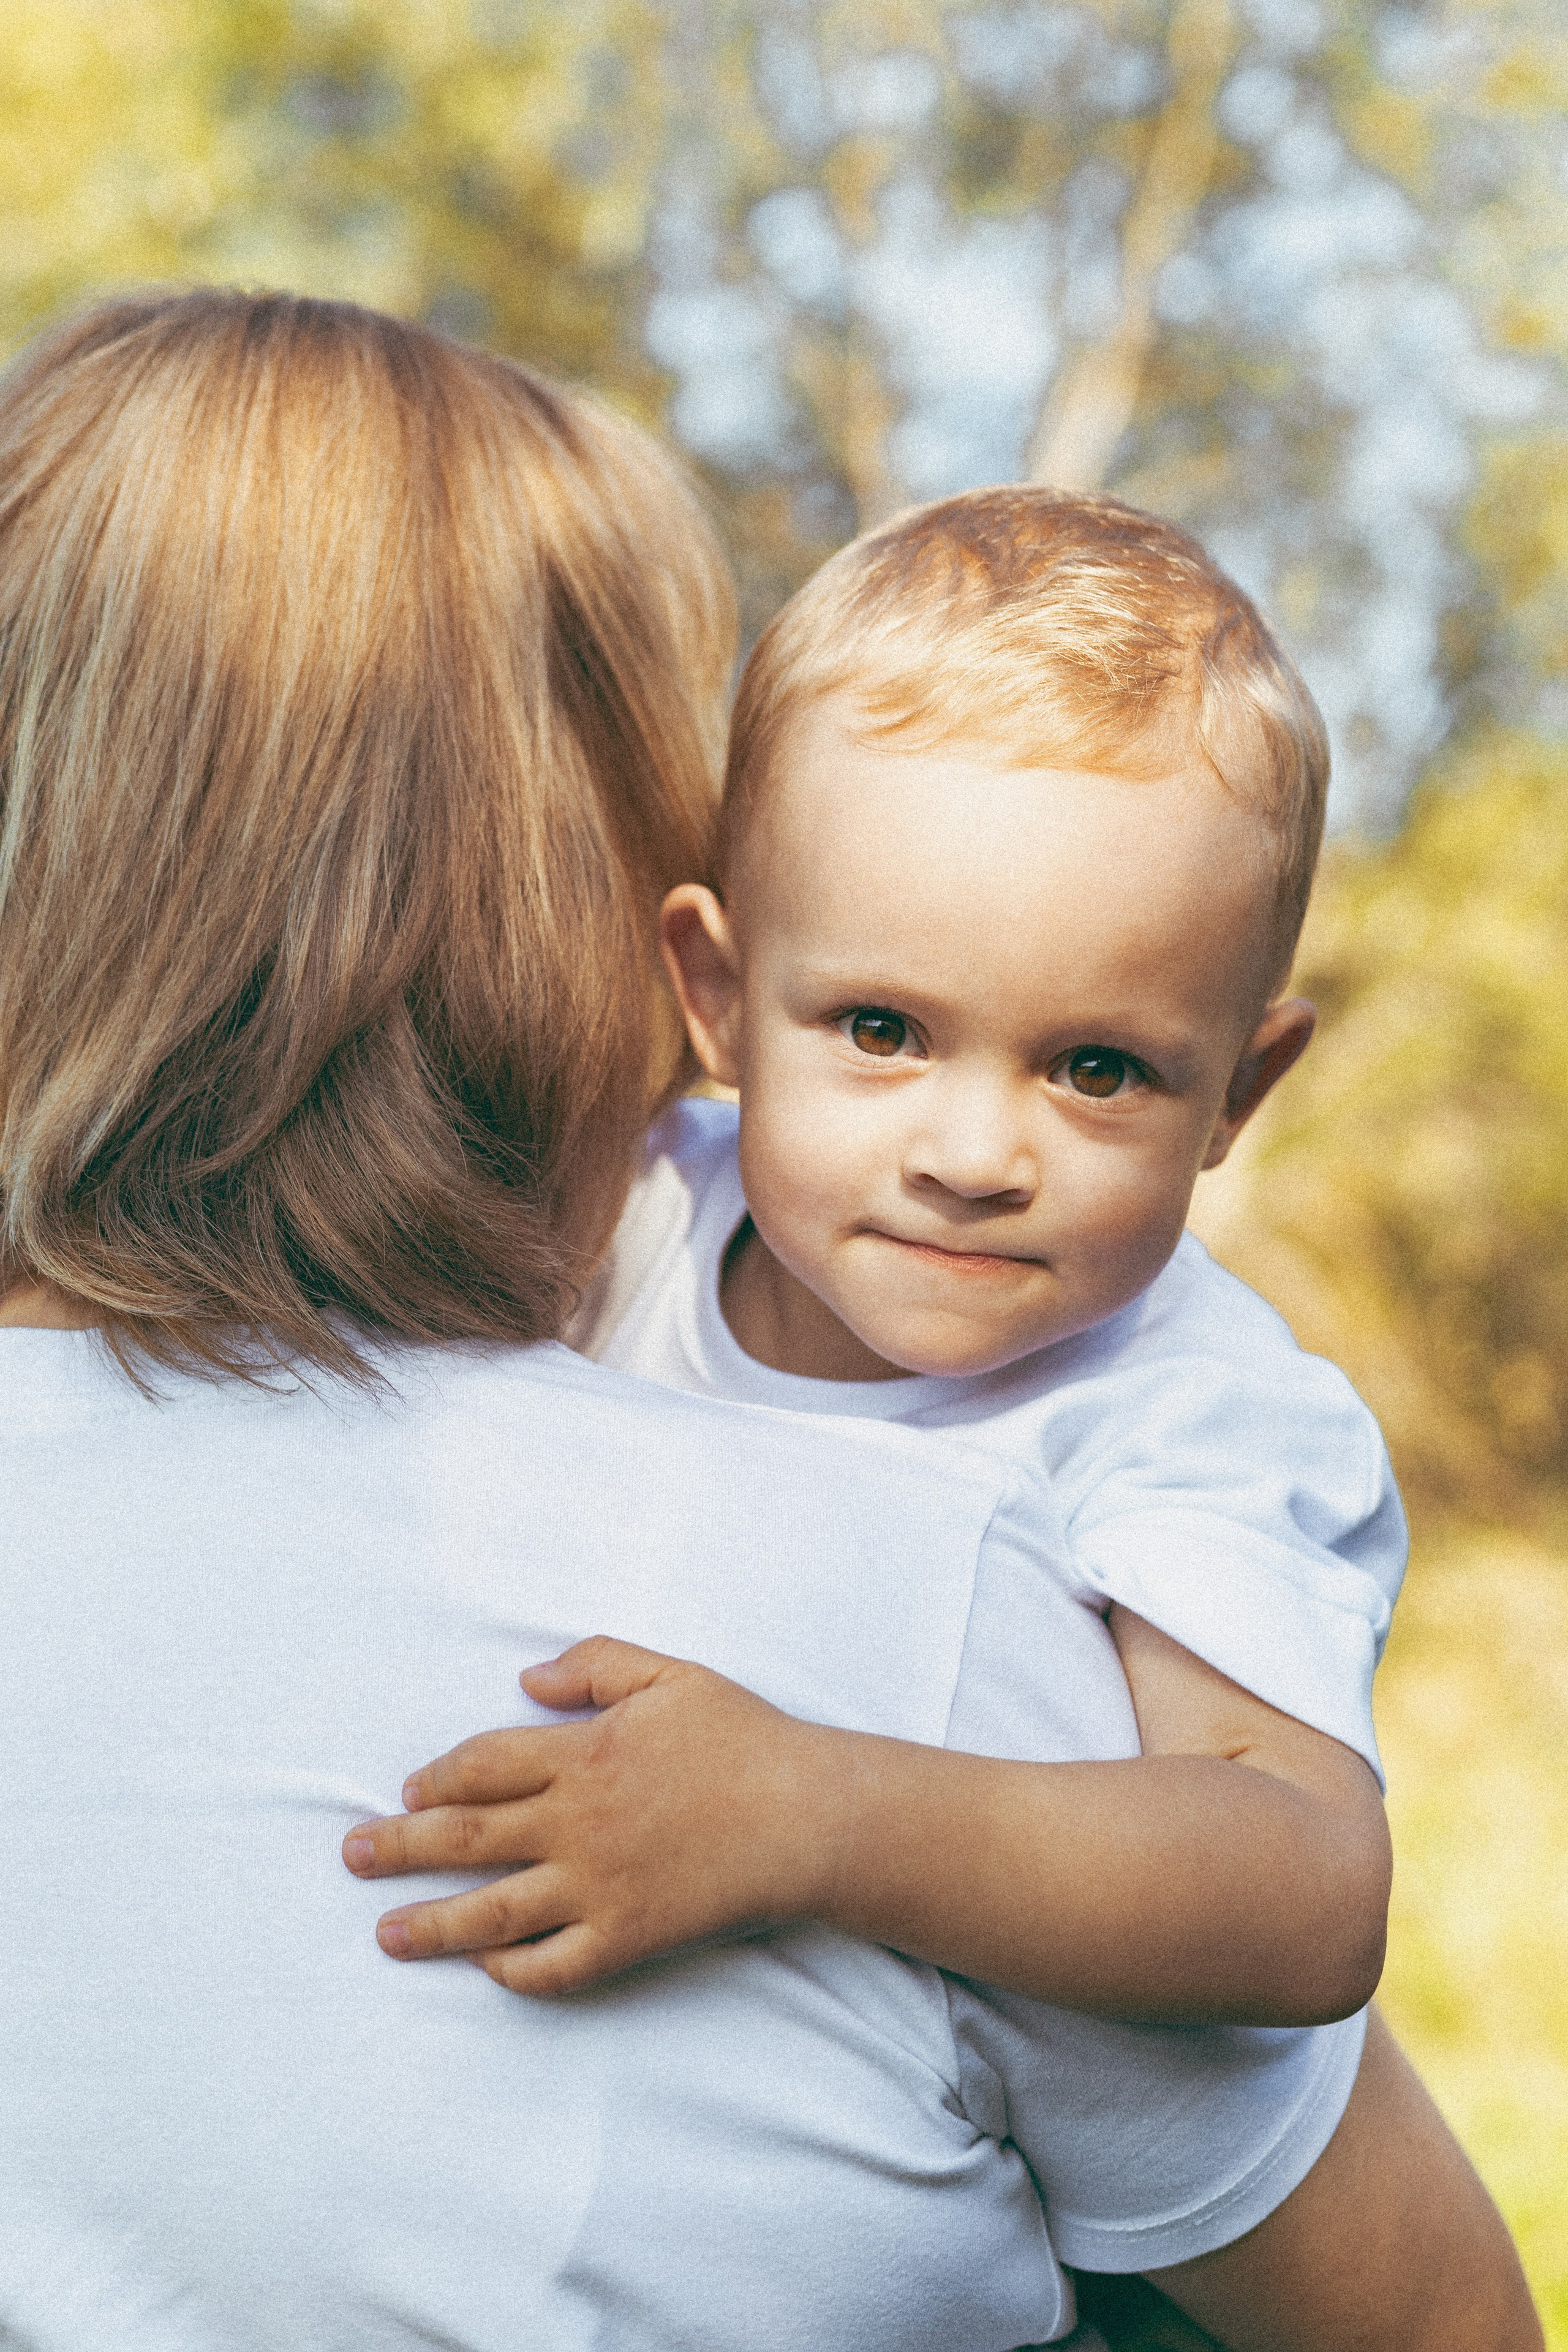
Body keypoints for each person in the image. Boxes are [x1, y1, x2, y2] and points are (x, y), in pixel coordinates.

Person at [0, 293, 1537, 2351]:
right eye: (880, 1028)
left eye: (1097, 1069)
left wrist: (824, 1812)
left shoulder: (1160, 1433)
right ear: (693, 972)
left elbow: (1300, 1887)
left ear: (1240, 1092)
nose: (972, 1152)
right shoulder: (850, 1501)